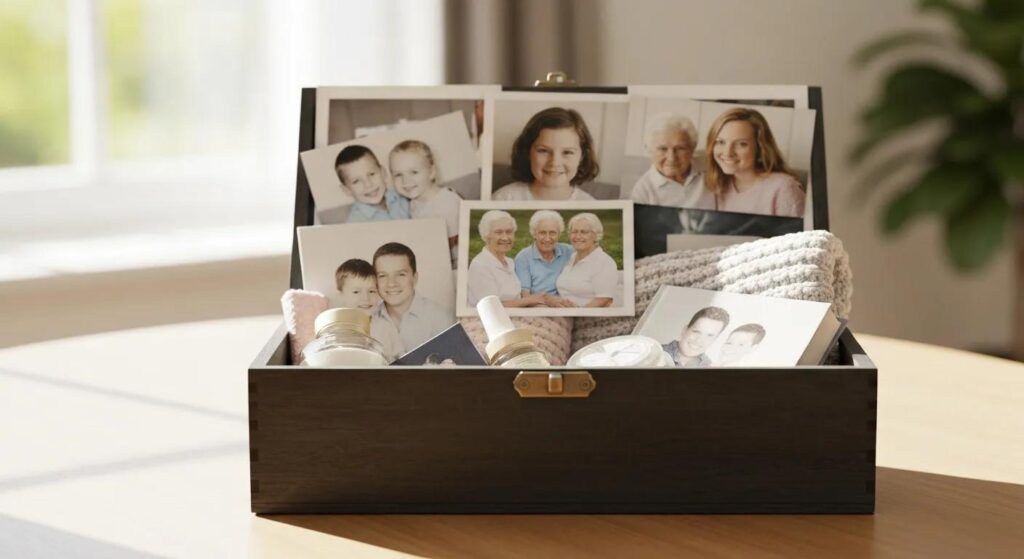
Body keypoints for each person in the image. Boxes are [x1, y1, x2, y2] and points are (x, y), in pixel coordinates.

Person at [704, 107, 805, 218]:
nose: (728, 153)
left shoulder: (784, 189)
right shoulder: (716, 185)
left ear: (760, 148)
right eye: (721, 142)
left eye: (741, 144)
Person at [493, 107, 598, 201]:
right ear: (527, 152)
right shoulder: (504, 198)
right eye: (543, 151)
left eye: (567, 152)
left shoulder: (591, 206)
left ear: (582, 156)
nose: (554, 162)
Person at [371, 242, 454, 351]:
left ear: (414, 278)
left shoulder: (442, 318)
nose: (391, 283)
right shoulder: (368, 319)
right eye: (382, 276)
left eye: (400, 274)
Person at [389, 140, 461, 265]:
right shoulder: (413, 203)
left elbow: (457, 242)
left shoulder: (447, 201)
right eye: (398, 175)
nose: (406, 180)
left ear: (432, 172)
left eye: (414, 172)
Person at [630, 112, 714, 209]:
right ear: (649, 150)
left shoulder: (709, 165)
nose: (672, 157)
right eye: (663, 149)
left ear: (693, 147)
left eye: (680, 148)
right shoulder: (643, 191)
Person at [467, 210, 545, 307]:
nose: (505, 238)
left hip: (513, 314)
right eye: (498, 232)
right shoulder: (480, 265)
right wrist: (529, 300)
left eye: (509, 232)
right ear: (487, 235)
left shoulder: (509, 262)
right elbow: (492, 306)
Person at [334, 258, 404, 362]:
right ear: (341, 296)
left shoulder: (386, 327)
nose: (366, 298)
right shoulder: (336, 330)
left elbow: (400, 357)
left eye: (371, 291)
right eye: (356, 292)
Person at [551, 213, 618, 308]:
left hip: (587, 316)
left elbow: (603, 299)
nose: (577, 236)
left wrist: (578, 311)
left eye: (583, 232)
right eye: (574, 232)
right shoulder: (570, 258)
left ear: (596, 235)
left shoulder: (604, 262)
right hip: (563, 312)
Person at [335, 145, 411, 223]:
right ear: (347, 190)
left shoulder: (401, 196)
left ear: (383, 172)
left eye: (371, 174)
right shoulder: (355, 223)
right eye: (356, 181)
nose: (368, 184)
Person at [514, 210, 575, 304]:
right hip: (537, 307)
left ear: (559, 234)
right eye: (542, 233)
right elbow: (525, 295)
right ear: (534, 234)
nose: (547, 238)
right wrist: (548, 302)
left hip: (567, 305)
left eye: (552, 233)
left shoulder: (570, 252)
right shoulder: (523, 257)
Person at [663, 306, 730, 367]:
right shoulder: (655, 351)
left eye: (709, 336)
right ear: (685, 330)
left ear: (715, 339)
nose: (699, 340)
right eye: (697, 332)